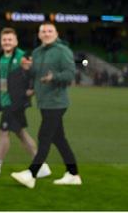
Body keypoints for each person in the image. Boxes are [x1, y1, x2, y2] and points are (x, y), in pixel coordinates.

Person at [11, 22, 81, 188]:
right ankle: (73, 174)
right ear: (39, 34)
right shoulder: (37, 52)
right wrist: (27, 68)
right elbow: (35, 74)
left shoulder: (62, 51)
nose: (47, 33)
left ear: (56, 33)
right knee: (59, 139)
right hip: (44, 102)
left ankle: (31, 174)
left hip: (57, 102)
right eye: (44, 31)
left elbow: (70, 74)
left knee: (44, 137)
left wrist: (53, 77)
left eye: (50, 31)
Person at [0, 28, 50, 179]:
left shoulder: (22, 56)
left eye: (10, 40)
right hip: (6, 101)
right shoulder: (2, 56)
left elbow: (37, 72)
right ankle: (42, 166)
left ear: (16, 42)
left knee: (3, 132)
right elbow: (3, 76)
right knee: (20, 133)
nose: (7, 42)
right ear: (1, 41)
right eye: (4, 40)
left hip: (15, 103)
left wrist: (32, 89)